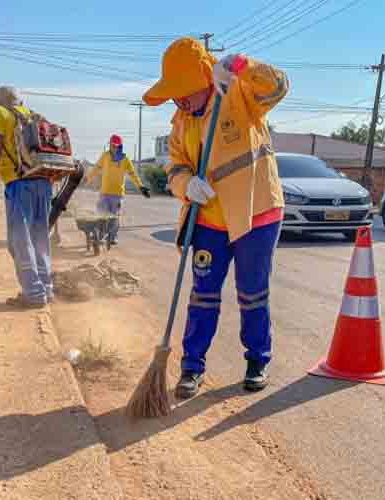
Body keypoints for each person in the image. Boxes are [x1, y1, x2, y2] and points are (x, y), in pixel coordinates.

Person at [143, 37, 289, 398]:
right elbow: (175, 165)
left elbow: (279, 85)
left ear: (204, 80)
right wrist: (184, 184)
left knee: (252, 293)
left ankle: (257, 360)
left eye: (184, 92)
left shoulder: (239, 94)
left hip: (256, 212)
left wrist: (242, 64)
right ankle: (191, 368)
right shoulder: (180, 122)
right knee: (202, 295)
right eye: (174, 94)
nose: (180, 100)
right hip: (208, 218)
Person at [0, 86, 52, 309]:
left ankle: (34, 294)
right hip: (43, 182)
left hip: (20, 184)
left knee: (20, 242)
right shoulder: (31, 116)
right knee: (40, 240)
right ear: (20, 100)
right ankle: (46, 289)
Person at [85, 134, 150, 245]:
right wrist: (88, 179)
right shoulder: (105, 156)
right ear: (109, 145)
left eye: (116, 145)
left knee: (114, 217)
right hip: (104, 192)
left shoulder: (125, 159)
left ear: (120, 146)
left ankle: (112, 237)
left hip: (117, 194)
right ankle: (99, 237)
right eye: (112, 145)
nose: (114, 148)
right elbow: (96, 168)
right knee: (101, 215)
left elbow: (132, 174)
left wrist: (141, 186)